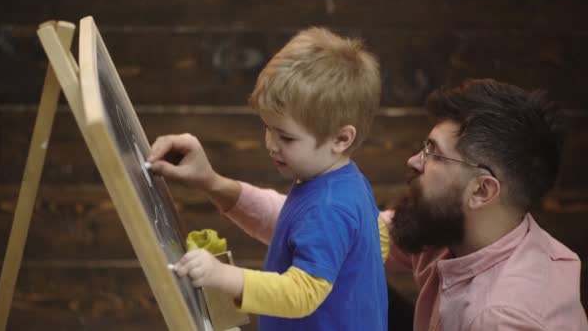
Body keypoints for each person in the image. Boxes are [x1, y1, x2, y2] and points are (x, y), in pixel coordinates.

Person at [152, 78, 588, 330]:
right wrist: (212, 183)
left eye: (434, 154)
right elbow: (325, 230)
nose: (414, 161)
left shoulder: (501, 315)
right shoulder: (447, 226)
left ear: (482, 191)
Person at [148, 27, 388, 330]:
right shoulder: (349, 184)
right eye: (267, 128)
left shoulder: (330, 206)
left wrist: (224, 277)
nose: (271, 144)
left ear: (341, 138)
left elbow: (302, 293)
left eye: (286, 137)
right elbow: (379, 241)